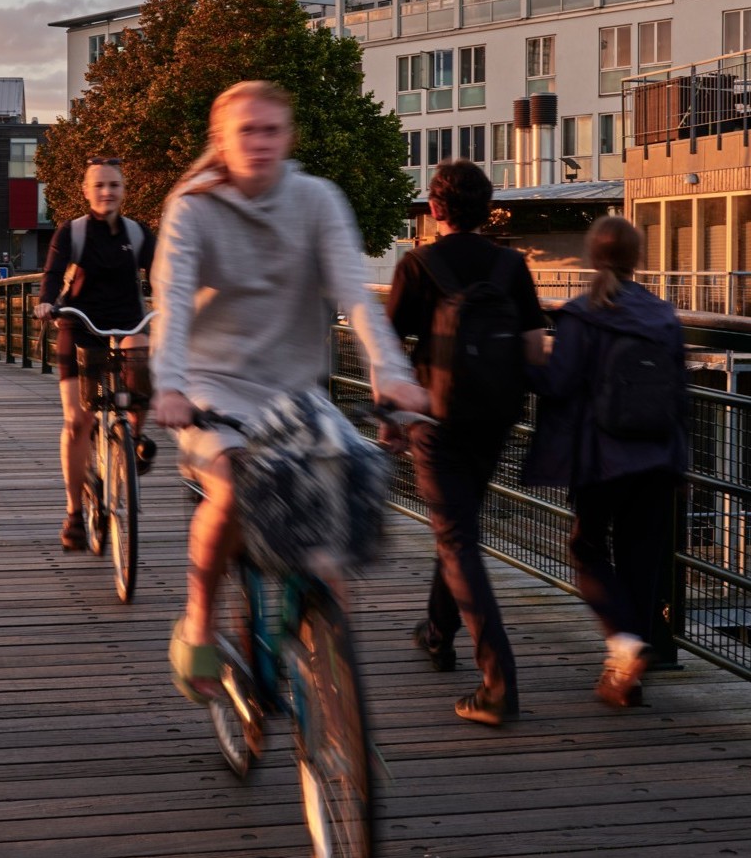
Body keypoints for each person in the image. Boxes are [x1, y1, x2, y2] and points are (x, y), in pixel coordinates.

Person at [150, 80, 426, 703]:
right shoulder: (193, 207)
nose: (260, 142)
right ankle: (198, 623)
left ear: (288, 137)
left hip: (293, 387)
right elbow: (170, 301)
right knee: (228, 486)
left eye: (271, 129)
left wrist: (394, 375)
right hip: (211, 385)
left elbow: (355, 294)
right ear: (221, 139)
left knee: (335, 528)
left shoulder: (318, 201)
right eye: (246, 130)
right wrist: (168, 386)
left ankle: (336, 707)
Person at [386, 160, 546, 726]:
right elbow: (532, 349)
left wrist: (390, 417)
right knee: (456, 527)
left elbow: (389, 349)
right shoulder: (511, 265)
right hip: (496, 417)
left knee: (456, 539)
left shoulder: (418, 264)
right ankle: (436, 631)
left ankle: (498, 683)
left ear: (435, 209)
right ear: (487, 209)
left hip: (437, 418)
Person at [524, 215, 687, 708]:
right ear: (638, 258)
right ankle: (628, 676)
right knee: (641, 563)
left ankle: (624, 644)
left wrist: (527, 361)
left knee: (587, 548)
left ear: (594, 255)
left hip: (604, 457)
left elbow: (559, 383)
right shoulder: (663, 314)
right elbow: (679, 394)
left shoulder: (582, 312)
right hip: (658, 456)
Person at [34, 157, 156, 550]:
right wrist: (46, 302)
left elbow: (163, 272)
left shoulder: (137, 233)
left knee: (142, 378)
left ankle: (133, 438)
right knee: (77, 420)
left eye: (114, 185)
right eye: (99, 185)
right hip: (78, 320)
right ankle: (73, 513)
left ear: (124, 189)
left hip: (127, 320)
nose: (107, 192)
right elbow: (53, 274)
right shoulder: (74, 232)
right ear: (86, 191)